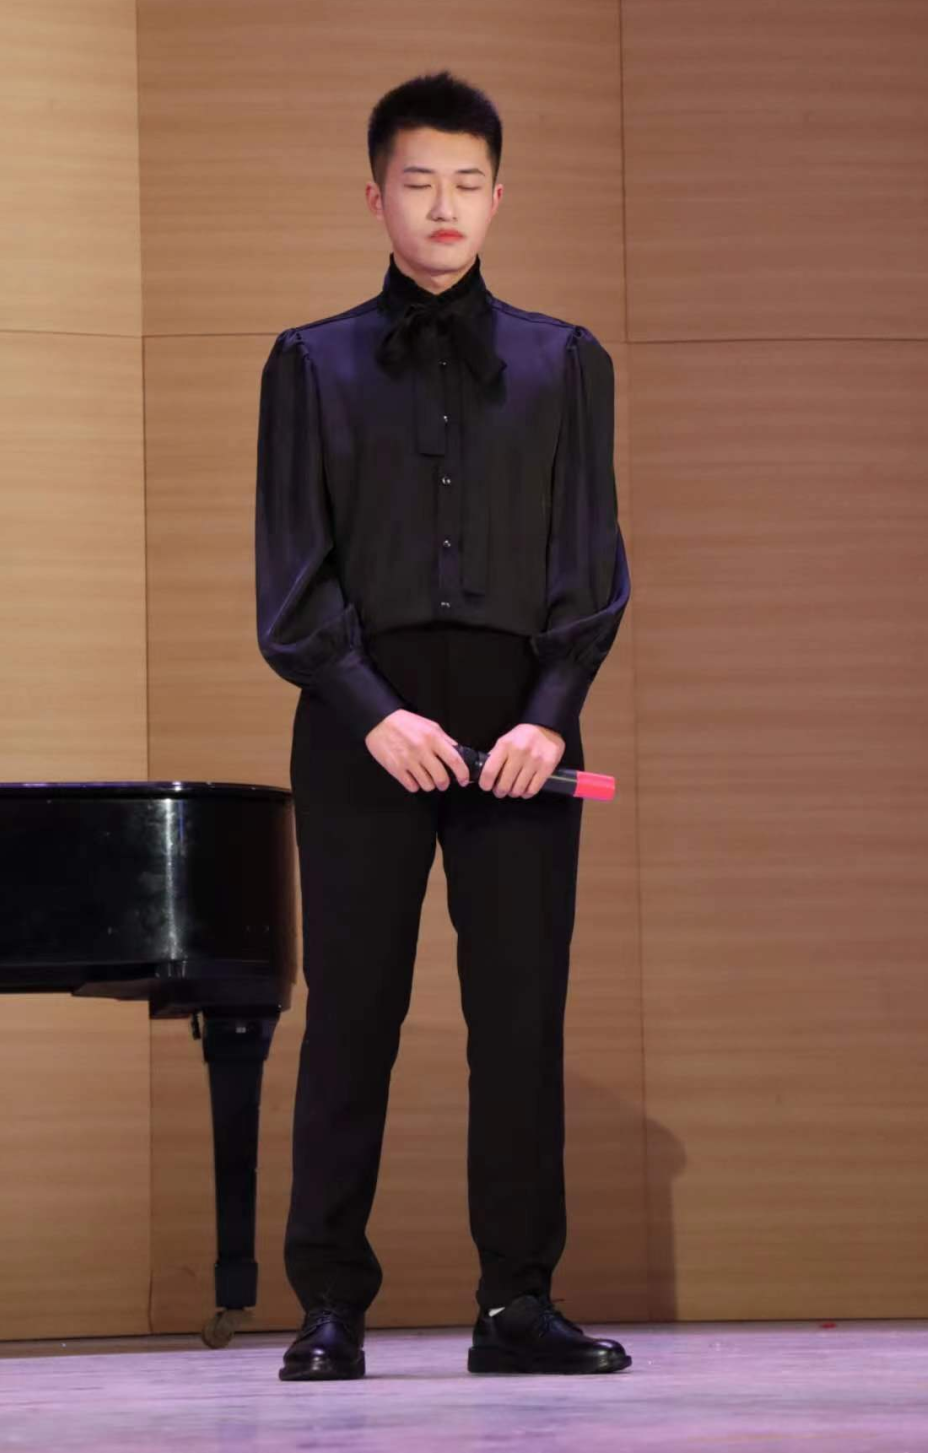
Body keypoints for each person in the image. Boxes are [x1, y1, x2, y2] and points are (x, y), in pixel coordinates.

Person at [255, 71, 631, 1381]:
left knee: (519, 1019)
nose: (444, 206)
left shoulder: (565, 361)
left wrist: (550, 718)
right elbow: (291, 577)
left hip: (521, 726)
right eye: (418, 181)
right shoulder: (309, 362)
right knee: (351, 1013)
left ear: (499, 195)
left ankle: (516, 1302)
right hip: (362, 721)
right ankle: (329, 1305)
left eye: (468, 182)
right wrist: (370, 709)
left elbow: (591, 562)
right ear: (376, 197)